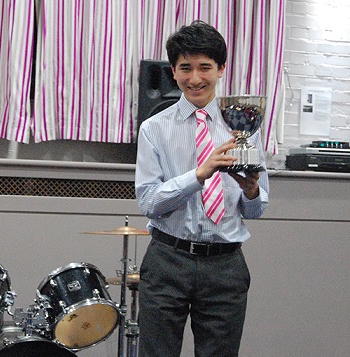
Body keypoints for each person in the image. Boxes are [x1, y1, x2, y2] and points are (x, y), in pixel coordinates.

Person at [135, 21, 269, 357]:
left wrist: (251, 190)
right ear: (173, 71)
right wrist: (199, 174)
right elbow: (149, 201)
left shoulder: (243, 125)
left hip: (225, 266)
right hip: (168, 259)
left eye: (205, 67)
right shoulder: (154, 129)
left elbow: (255, 209)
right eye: (186, 68)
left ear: (221, 68)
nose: (195, 78)